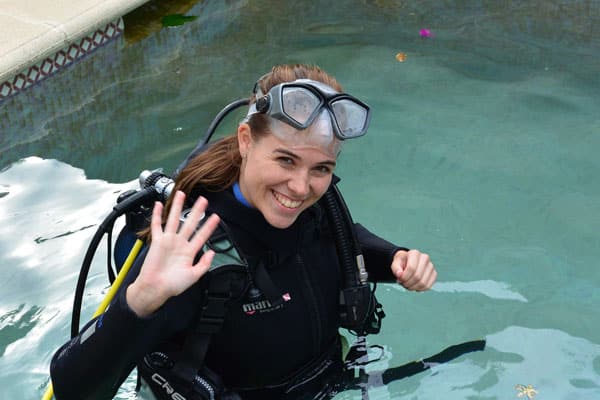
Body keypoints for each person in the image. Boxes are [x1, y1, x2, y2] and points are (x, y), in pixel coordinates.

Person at [49, 64, 437, 400]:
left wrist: (394, 260)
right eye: (285, 160)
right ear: (246, 140)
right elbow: (72, 389)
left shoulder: (316, 209)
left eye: (320, 168)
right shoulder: (192, 250)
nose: (301, 188)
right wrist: (138, 304)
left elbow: (342, 238)